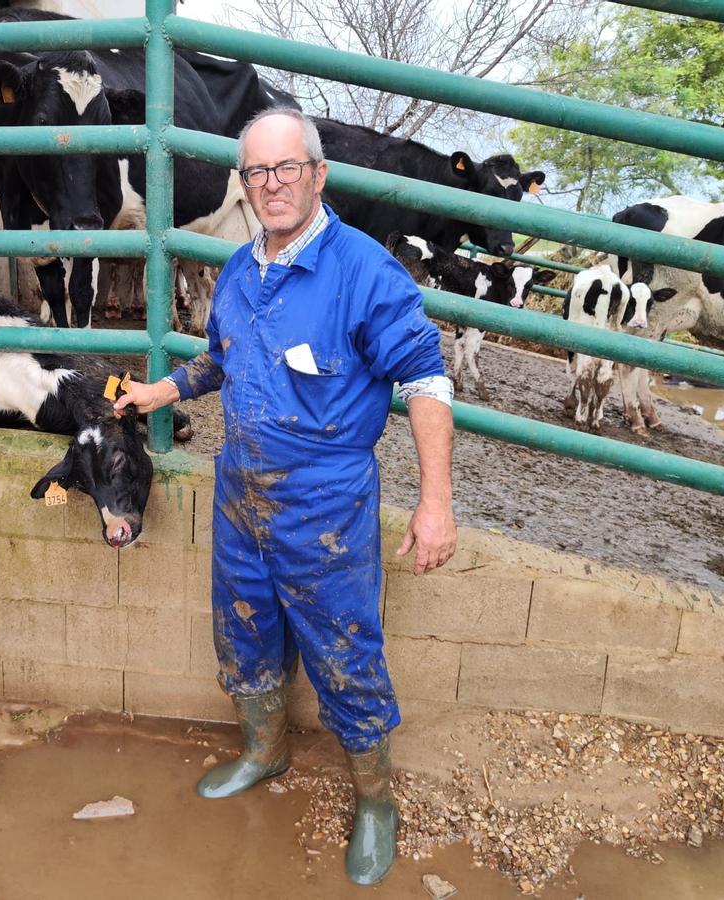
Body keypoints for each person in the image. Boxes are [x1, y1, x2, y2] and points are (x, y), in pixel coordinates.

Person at [114, 108, 457, 886]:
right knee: (243, 631)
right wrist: (157, 390)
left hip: (326, 505)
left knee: (344, 653)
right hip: (240, 493)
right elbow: (220, 361)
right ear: (246, 182)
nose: (272, 185)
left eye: (286, 168)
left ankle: (375, 801)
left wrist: (436, 503)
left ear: (318, 174)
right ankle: (264, 753)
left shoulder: (365, 271)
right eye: (257, 172)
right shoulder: (239, 268)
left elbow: (427, 380)